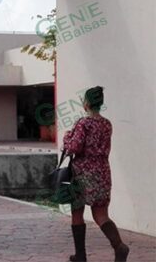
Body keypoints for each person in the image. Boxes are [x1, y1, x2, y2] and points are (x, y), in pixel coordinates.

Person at [63, 86, 129, 262]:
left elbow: (74, 148)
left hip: (82, 173)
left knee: (77, 212)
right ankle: (119, 246)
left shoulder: (83, 123)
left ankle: (80, 255)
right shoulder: (107, 124)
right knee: (101, 215)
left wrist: (67, 138)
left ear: (86, 103)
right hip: (102, 172)